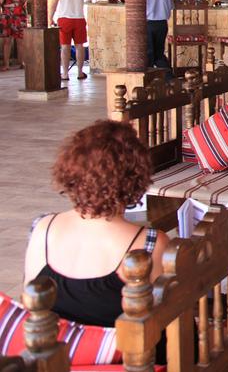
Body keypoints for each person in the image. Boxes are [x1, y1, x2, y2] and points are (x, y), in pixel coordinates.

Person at [23, 120, 169, 327]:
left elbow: (29, 305)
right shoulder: (149, 243)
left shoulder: (42, 228)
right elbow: (166, 315)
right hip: (118, 347)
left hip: (55, 345)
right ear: (136, 178)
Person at [49, 0, 92, 80]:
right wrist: (84, 1)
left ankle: (65, 74)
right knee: (79, 46)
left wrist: (50, 17)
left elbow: (54, 2)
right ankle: (80, 72)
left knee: (65, 47)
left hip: (64, 19)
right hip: (79, 18)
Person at [146, 0, 173, 68]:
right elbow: (171, 6)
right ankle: (168, 76)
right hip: (162, 24)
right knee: (159, 54)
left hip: (149, 23)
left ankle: (149, 76)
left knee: (148, 53)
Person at [1, 0, 29, 70]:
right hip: (7, 19)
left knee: (20, 41)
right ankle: (6, 64)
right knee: (7, 41)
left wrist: (6, 6)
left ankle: (22, 62)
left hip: (20, 18)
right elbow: (0, 2)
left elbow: (20, 3)